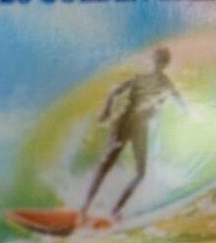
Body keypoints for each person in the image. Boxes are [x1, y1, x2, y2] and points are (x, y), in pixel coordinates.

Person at [79, 45, 189, 222]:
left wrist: (187, 113)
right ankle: (85, 208)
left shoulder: (161, 82)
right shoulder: (147, 79)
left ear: (164, 63)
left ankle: (114, 210)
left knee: (139, 173)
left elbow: (179, 99)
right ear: (157, 61)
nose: (159, 63)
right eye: (158, 59)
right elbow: (115, 92)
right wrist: (106, 112)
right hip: (125, 123)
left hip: (140, 128)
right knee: (108, 165)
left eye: (162, 60)